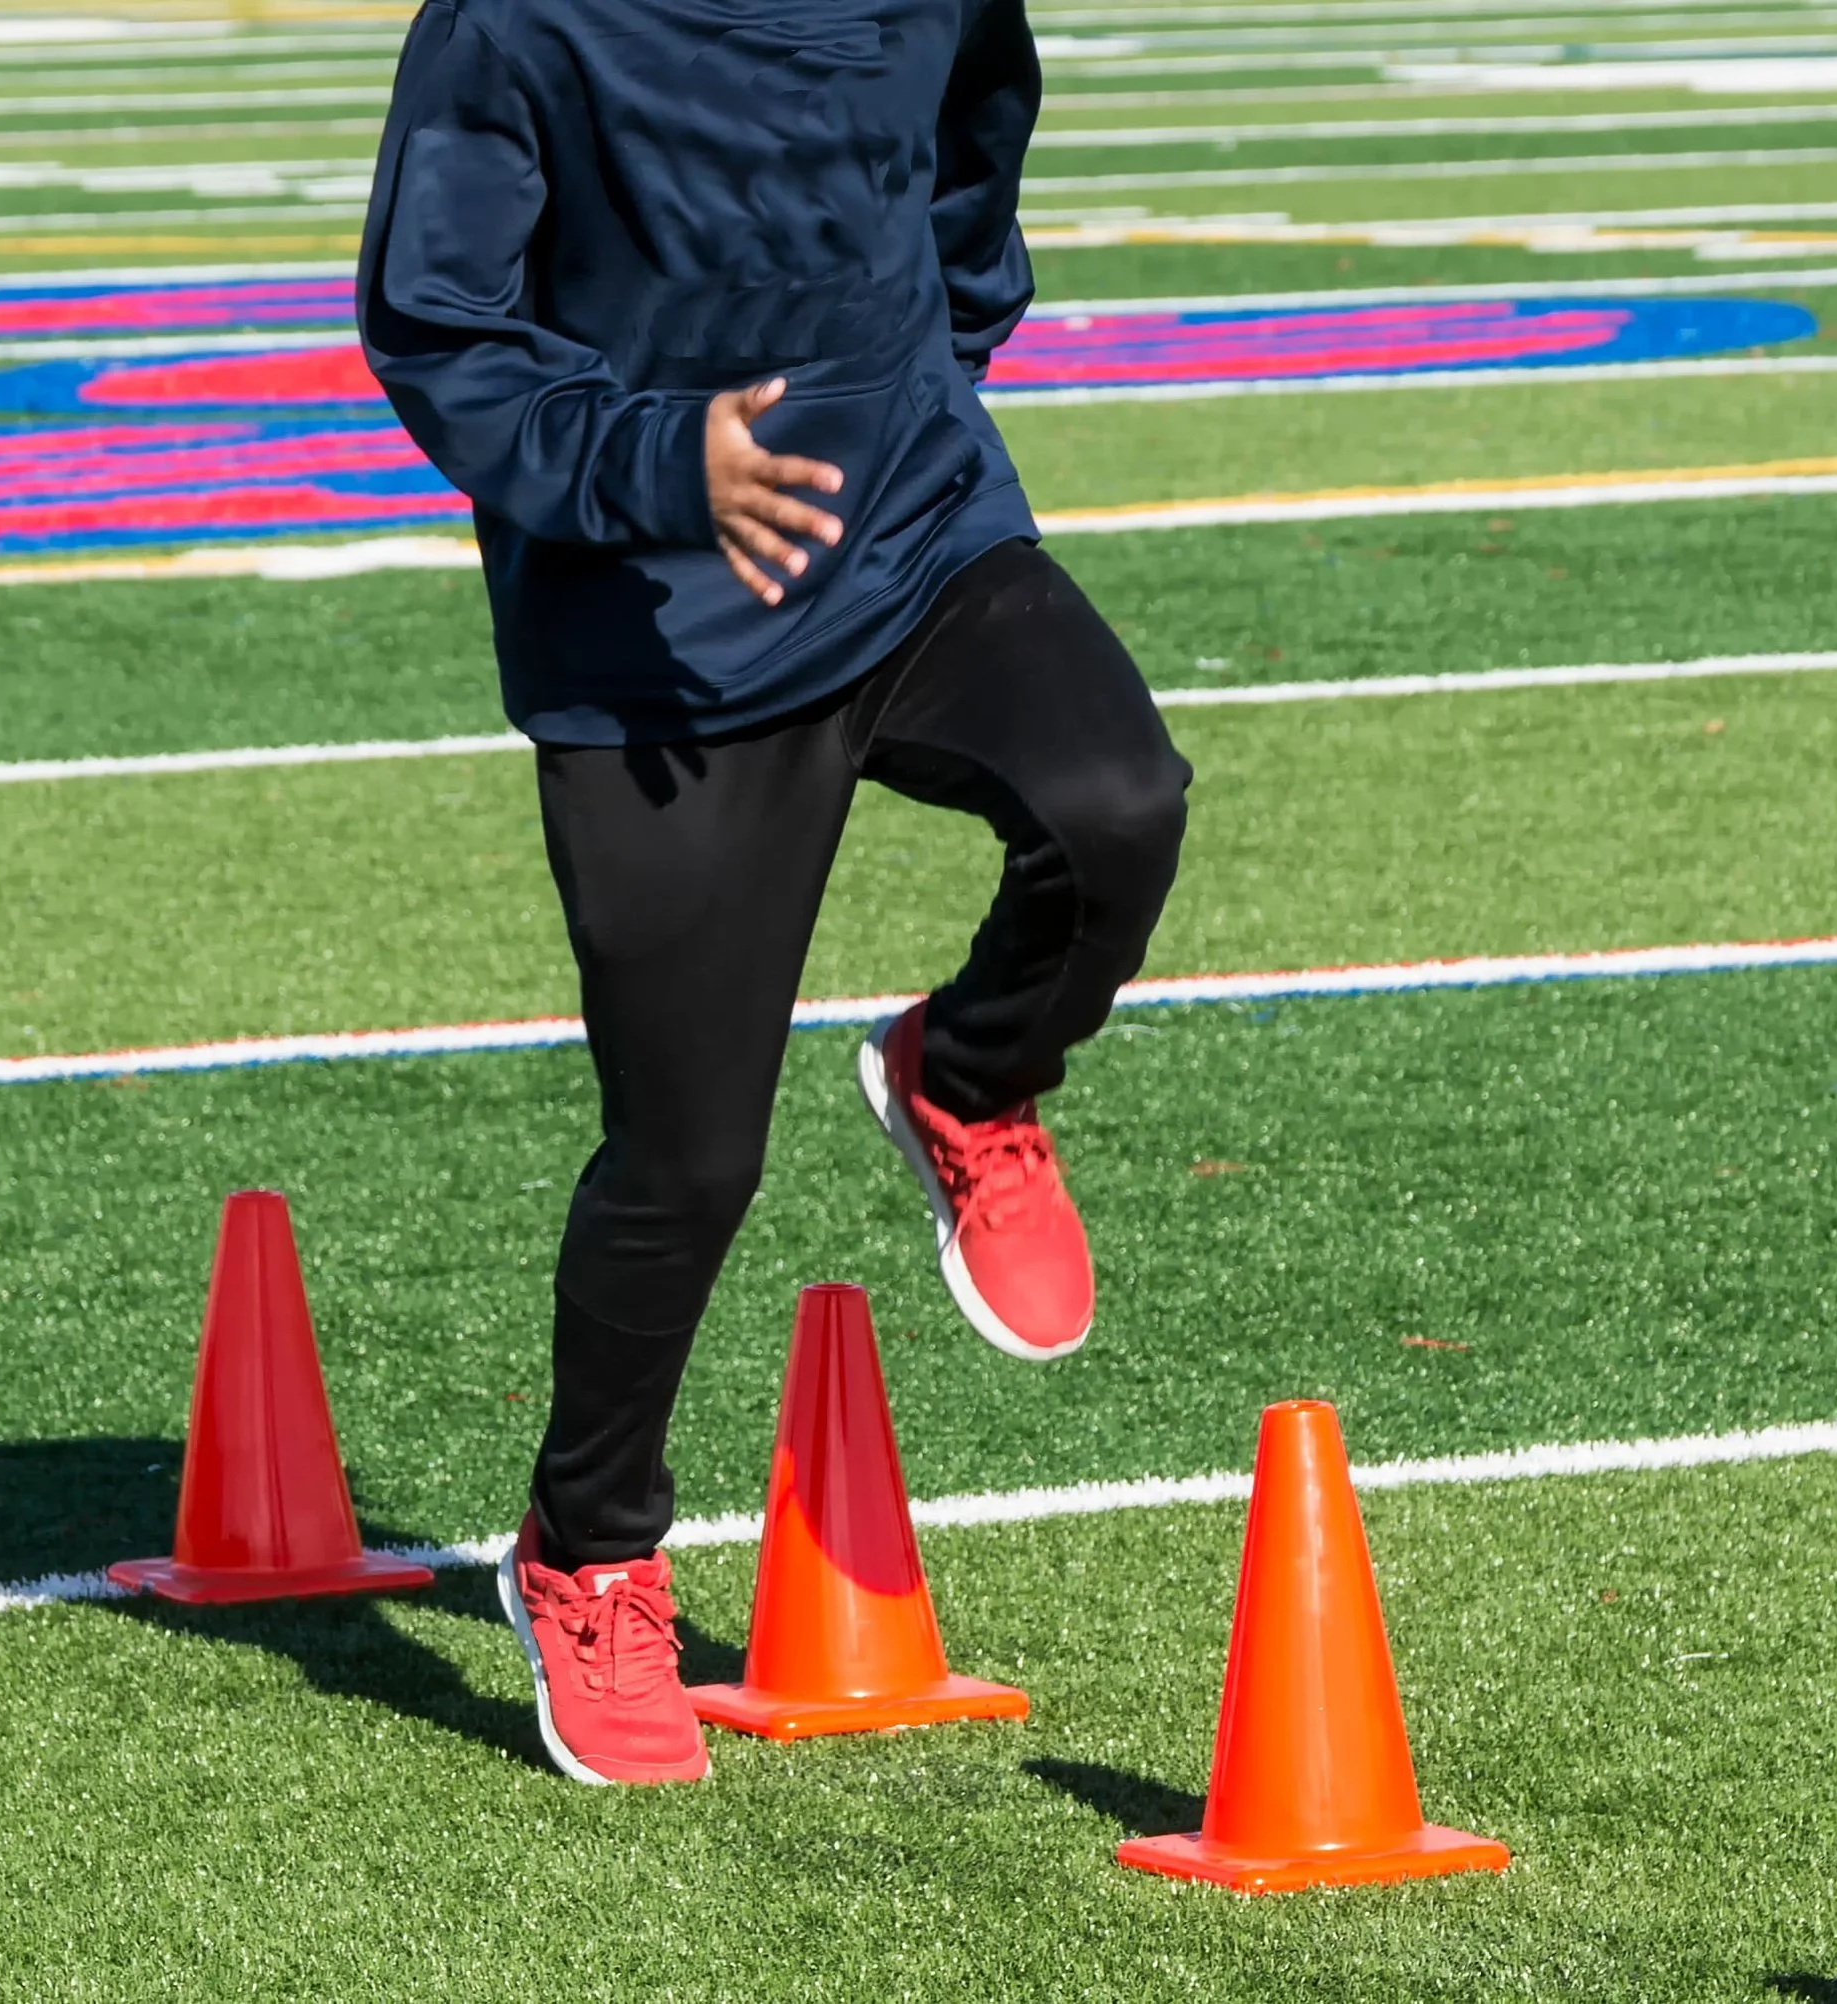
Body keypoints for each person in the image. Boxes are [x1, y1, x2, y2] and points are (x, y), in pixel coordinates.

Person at [357, 0, 1190, 1787]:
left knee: (1117, 803)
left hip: (913, 537)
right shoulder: (515, 22)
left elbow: (979, 132)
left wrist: (937, 371)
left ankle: (969, 1075)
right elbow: (439, 324)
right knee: (687, 1162)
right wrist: (670, 465)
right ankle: (585, 1556)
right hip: (650, 644)